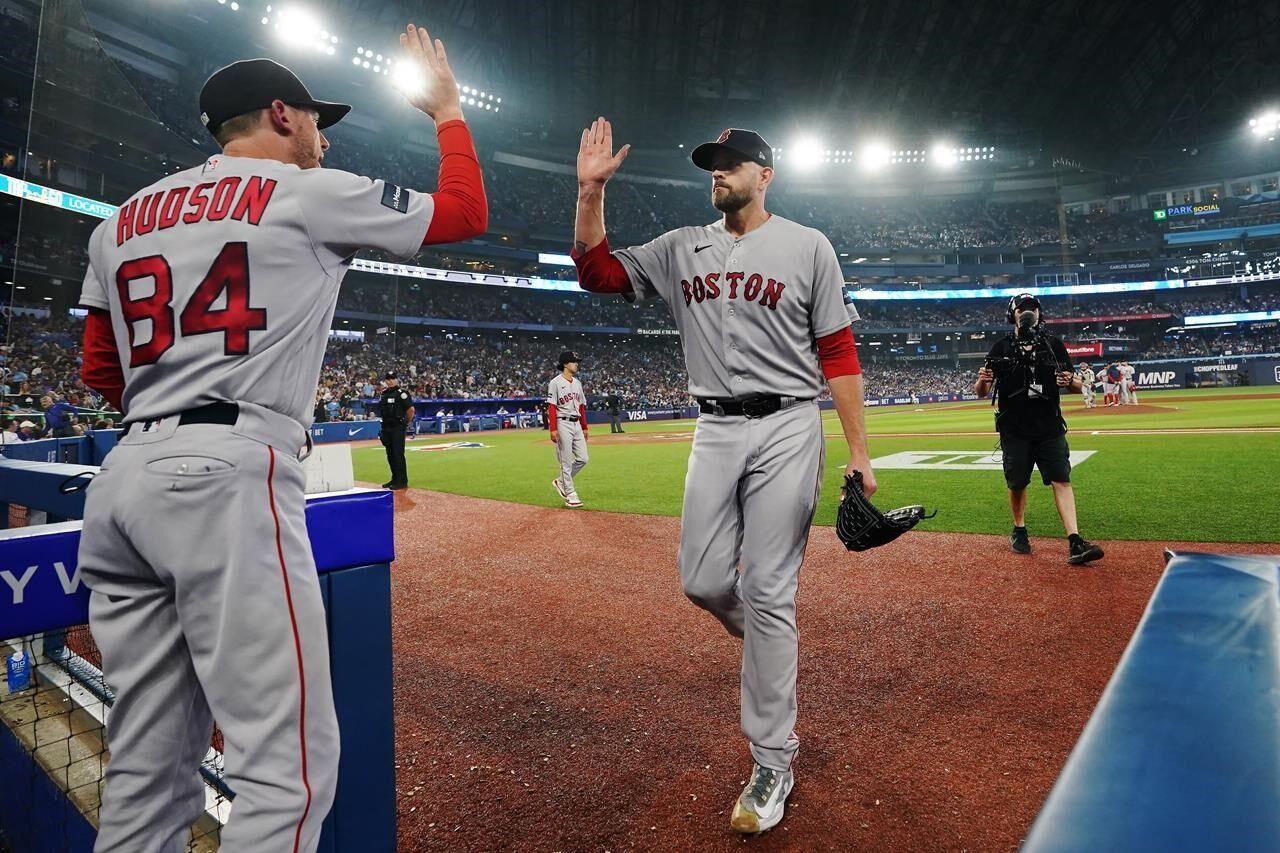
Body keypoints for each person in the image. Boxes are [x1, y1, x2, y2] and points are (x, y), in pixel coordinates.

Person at [75, 23, 486, 852]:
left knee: (146, 770)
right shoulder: (302, 190)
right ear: (279, 115)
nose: (323, 134)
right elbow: (465, 214)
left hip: (125, 481)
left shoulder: (121, 219)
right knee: (287, 767)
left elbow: (99, 372)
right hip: (229, 474)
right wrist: (447, 112)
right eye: (313, 117)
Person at [570, 122, 874, 834]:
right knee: (702, 579)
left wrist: (861, 451)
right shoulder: (682, 247)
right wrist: (590, 193)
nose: (720, 171)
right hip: (714, 425)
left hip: (788, 424)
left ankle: (774, 758)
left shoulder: (808, 246)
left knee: (768, 587)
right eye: (713, 163)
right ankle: (772, 640)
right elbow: (598, 273)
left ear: (765, 175)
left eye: (734, 163)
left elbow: (838, 349)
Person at [975, 294, 1104, 566]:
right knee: (1017, 482)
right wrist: (982, 380)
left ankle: (1075, 540)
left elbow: (1076, 387)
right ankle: (1019, 529)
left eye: (1033, 308)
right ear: (1012, 314)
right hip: (1014, 428)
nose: (1028, 313)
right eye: (1022, 309)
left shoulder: (1053, 344)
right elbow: (981, 392)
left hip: (1049, 427)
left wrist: (1070, 380)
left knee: (1062, 479)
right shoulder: (1001, 347)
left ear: (1040, 314)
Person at [548, 350, 588, 508]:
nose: (576, 363)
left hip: (576, 423)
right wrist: (553, 429)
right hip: (562, 423)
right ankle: (570, 494)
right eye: (573, 361)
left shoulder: (577, 383)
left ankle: (561, 481)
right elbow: (551, 407)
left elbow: (582, 406)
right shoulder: (555, 382)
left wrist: (584, 426)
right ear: (565, 364)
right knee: (565, 461)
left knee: (583, 459)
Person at [378, 372, 414, 489]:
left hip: (397, 428)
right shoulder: (384, 394)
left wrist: (406, 423)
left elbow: (411, 410)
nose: (390, 381)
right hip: (386, 427)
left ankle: (402, 481)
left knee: (398, 454)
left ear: (397, 380)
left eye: (392, 378)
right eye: (388, 379)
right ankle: (394, 479)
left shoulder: (402, 394)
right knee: (390, 455)